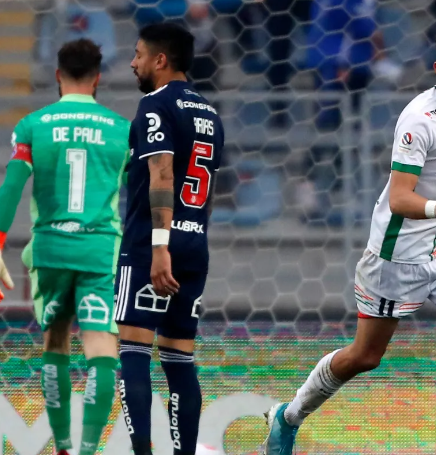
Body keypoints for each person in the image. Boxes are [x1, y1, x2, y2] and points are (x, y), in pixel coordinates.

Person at [262, 19, 436, 455]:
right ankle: (289, 416)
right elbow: (400, 199)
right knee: (365, 357)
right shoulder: (419, 119)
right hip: (398, 258)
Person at [0, 39, 130, 455]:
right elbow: (143, 194)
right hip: (99, 251)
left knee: (55, 341)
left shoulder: (33, 125)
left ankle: (62, 447)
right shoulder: (120, 129)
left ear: (57, 75)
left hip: (51, 249)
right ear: (98, 78)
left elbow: (12, 187)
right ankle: (88, 450)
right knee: (101, 348)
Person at [115, 23, 225, 455]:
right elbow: (208, 192)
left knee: (134, 351)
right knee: (180, 359)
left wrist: (160, 246)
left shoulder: (154, 104)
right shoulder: (210, 113)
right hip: (195, 244)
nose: (133, 62)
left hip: (151, 246)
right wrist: (189, 241)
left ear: (160, 60)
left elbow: (161, 172)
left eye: (139, 54)